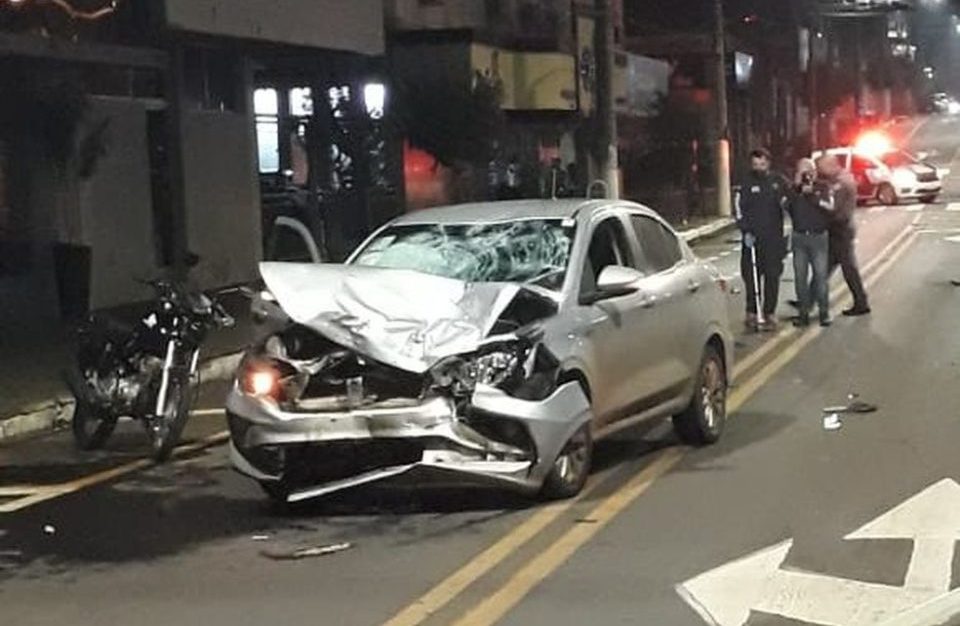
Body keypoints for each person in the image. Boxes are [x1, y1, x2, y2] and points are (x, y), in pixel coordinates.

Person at [735, 148, 789, 331]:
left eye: (762, 164)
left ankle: (769, 312)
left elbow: (789, 200)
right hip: (752, 239)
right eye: (755, 164)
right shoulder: (745, 183)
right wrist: (745, 229)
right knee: (751, 277)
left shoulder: (778, 181)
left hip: (773, 238)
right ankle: (751, 312)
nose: (759, 167)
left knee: (773, 276)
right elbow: (739, 208)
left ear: (768, 163)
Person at [818, 154, 871, 316]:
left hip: (840, 229)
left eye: (822, 167)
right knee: (826, 267)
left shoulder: (840, 183)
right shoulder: (842, 179)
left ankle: (861, 302)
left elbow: (835, 209)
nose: (821, 171)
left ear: (831, 165)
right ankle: (807, 299)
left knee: (847, 269)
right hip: (841, 229)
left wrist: (819, 204)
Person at [787, 158, 833, 327]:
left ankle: (824, 313)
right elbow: (786, 206)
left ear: (815, 171)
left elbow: (830, 207)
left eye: (810, 171)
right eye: (803, 171)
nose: (807, 175)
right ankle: (803, 314)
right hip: (799, 237)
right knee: (800, 278)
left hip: (818, 237)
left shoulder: (823, 187)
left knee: (820, 277)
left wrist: (813, 195)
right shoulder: (794, 190)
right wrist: (796, 187)